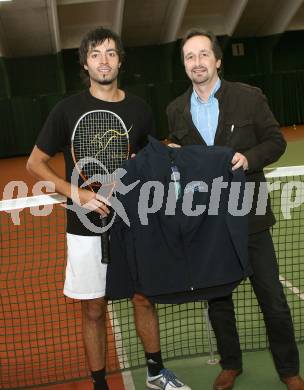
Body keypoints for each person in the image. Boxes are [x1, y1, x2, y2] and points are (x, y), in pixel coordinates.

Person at [26, 27, 190, 390]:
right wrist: (77, 194)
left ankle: (155, 373)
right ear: (85, 62)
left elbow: (151, 157)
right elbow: (35, 164)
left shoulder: (139, 108)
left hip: (132, 223)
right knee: (94, 309)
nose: (104, 60)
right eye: (96, 53)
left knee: (144, 297)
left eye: (111, 53)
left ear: (120, 61)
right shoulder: (66, 109)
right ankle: (100, 384)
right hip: (84, 226)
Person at [166, 28, 304, 390]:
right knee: (218, 301)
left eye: (202, 55)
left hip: (252, 218)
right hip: (208, 221)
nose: (197, 62)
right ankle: (231, 364)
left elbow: (275, 141)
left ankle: (289, 371)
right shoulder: (176, 111)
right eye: (189, 57)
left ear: (217, 60)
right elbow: (182, 161)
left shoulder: (249, 98)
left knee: (272, 301)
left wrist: (250, 158)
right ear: (184, 65)